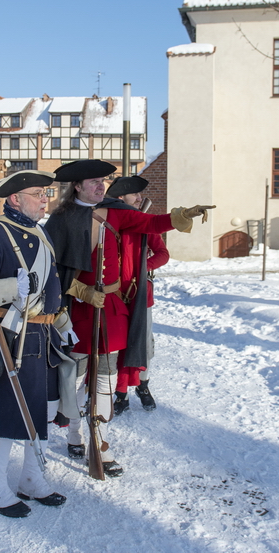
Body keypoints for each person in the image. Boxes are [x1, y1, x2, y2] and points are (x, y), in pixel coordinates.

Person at [45, 160, 213, 478]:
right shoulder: (60, 219)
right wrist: (79, 289)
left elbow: (151, 224)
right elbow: (48, 269)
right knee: (78, 378)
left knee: (106, 381)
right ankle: (74, 434)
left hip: (112, 310)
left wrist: (181, 216)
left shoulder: (117, 212)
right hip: (78, 312)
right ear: (77, 187)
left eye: (103, 181)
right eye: (93, 182)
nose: (100, 186)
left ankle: (101, 442)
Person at [0, 170, 78, 519]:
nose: (45, 199)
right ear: (14, 200)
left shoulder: (40, 232)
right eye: (39, 193)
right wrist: (9, 288)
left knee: (42, 411)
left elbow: (52, 285)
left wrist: (63, 322)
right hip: (13, 337)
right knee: (9, 415)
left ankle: (31, 478)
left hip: (44, 335)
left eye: (46, 193)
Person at [102, 176, 170, 415]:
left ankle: (143, 385)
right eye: (135, 195)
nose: (140, 198)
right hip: (113, 296)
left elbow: (162, 253)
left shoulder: (145, 222)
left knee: (143, 344)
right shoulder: (106, 220)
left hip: (140, 293)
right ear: (121, 198)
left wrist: (143, 267)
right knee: (119, 345)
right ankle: (120, 393)